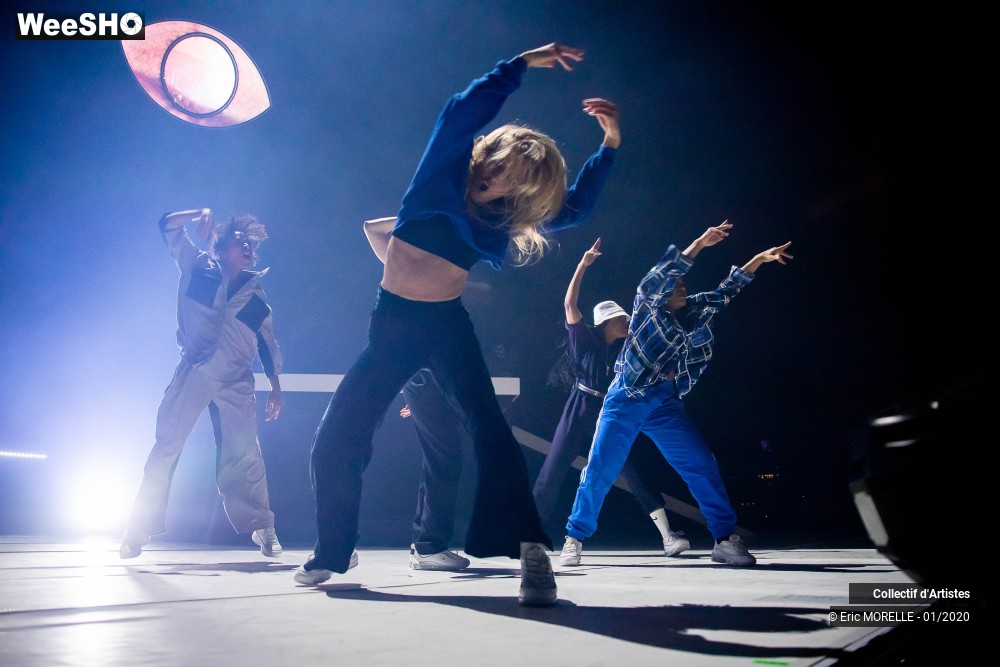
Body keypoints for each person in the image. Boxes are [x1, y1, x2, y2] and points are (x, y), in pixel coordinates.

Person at [294, 43, 620, 607]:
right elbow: (459, 112)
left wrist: (610, 145)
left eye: (509, 177)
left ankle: (531, 553)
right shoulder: (439, 176)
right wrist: (519, 65)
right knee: (336, 437)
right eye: (496, 163)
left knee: (490, 431)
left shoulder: (500, 219)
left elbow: (575, 210)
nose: (495, 177)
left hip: (447, 327)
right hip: (391, 328)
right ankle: (333, 548)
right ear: (485, 154)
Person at [559, 221, 792, 568]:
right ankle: (574, 537)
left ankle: (724, 540)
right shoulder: (645, 308)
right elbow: (668, 271)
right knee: (601, 468)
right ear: (662, 291)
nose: (682, 288)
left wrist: (758, 259)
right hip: (626, 396)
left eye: (684, 285)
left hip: (663, 401)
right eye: (676, 285)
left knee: (701, 463)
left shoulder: (694, 311)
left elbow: (727, 290)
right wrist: (699, 242)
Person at [120, 208, 285, 559]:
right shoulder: (197, 268)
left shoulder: (255, 296)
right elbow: (166, 225)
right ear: (221, 249)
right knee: (166, 446)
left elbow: (267, 345)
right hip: (195, 371)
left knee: (246, 454)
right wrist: (198, 213)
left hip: (236, 381)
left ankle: (262, 527)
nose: (248, 249)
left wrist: (275, 385)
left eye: (250, 245)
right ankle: (137, 528)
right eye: (241, 243)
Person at [533, 238, 689, 556]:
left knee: (631, 469)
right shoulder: (584, 339)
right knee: (553, 468)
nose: (627, 321)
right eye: (622, 318)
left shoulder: (626, 348)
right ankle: (531, 533)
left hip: (611, 410)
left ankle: (667, 536)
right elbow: (569, 306)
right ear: (607, 322)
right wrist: (583, 265)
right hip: (579, 407)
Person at [364, 216, 471, 572]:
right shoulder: (402, 263)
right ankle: (427, 545)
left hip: (440, 364)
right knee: (445, 452)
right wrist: (422, 212)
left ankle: (426, 543)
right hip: (421, 372)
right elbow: (370, 227)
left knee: (443, 452)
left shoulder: (445, 263)